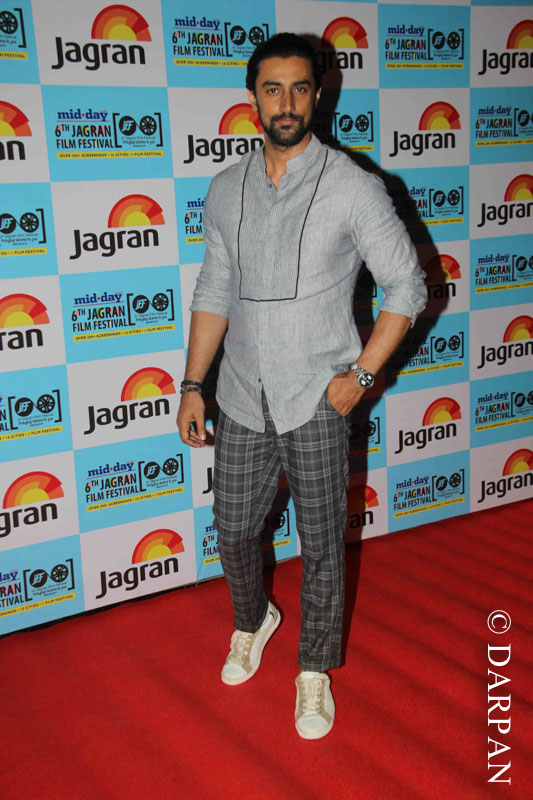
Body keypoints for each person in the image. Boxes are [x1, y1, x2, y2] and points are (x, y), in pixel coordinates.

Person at [177, 32, 427, 740]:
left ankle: (313, 669)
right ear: (253, 98)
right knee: (232, 531)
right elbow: (215, 288)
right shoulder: (225, 189)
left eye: (298, 88)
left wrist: (361, 376)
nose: (285, 103)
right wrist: (193, 382)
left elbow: (407, 286)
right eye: (272, 89)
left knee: (319, 544)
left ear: (317, 96)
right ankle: (253, 618)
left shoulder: (353, 185)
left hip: (318, 397)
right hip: (240, 395)